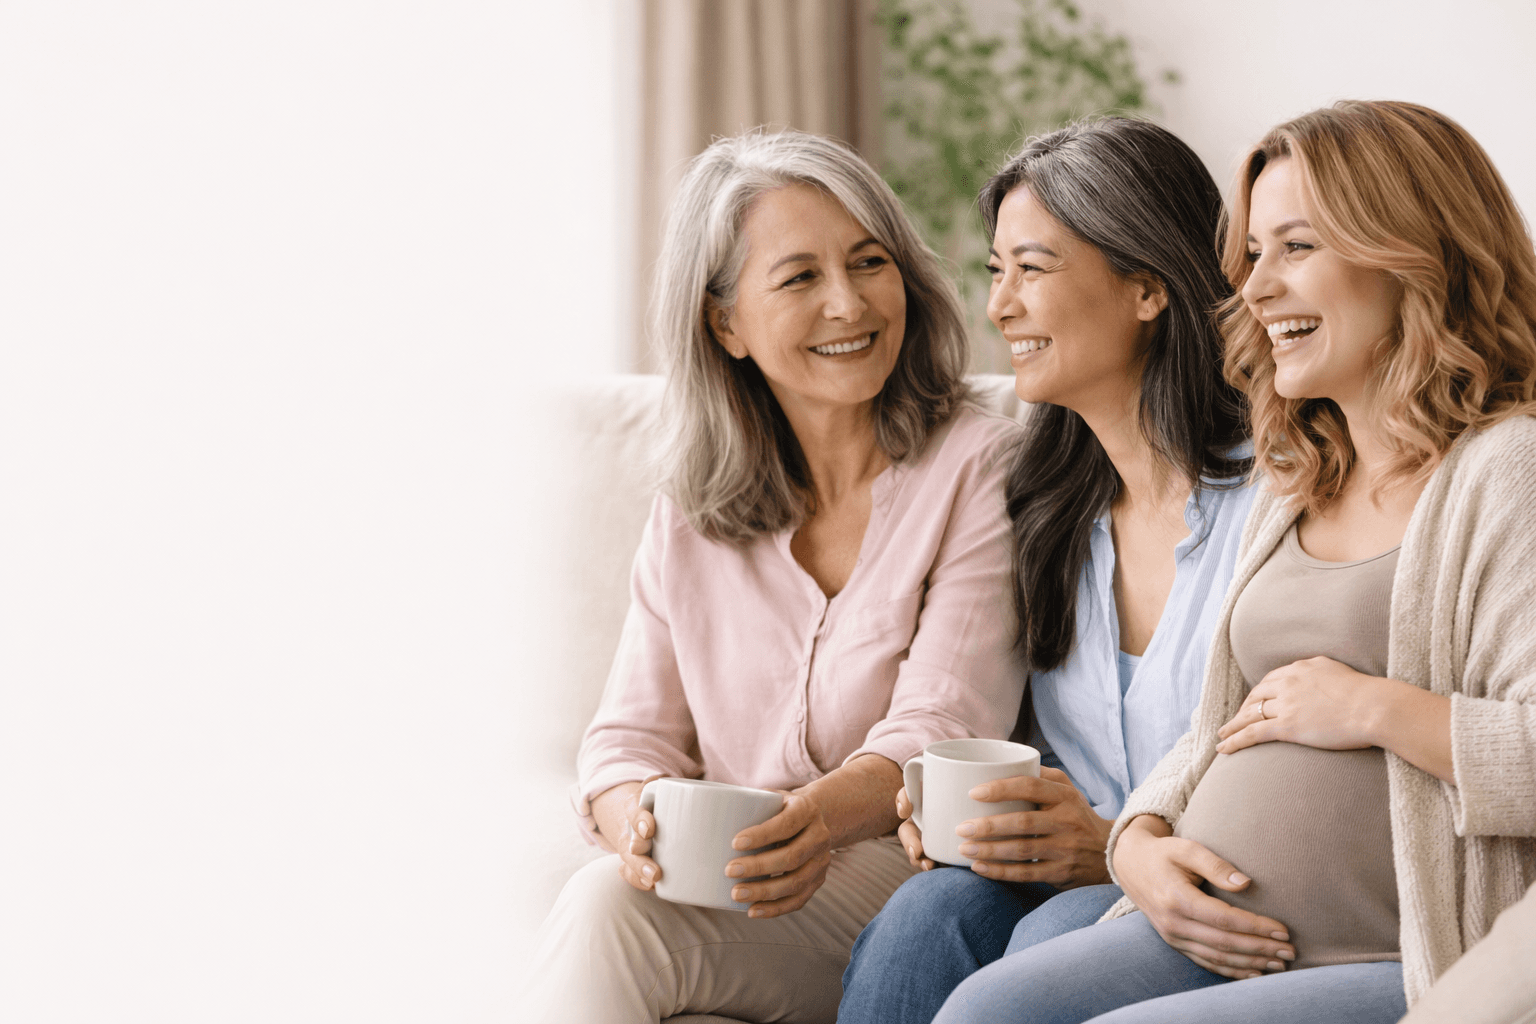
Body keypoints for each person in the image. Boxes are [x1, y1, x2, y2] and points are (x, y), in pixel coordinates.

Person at [932, 99, 1536, 1024]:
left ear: (1411, 253)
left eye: (1296, 249)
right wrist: (1135, 836)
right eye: (1253, 256)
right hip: (1215, 932)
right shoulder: (1303, 473)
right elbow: (1221, 720)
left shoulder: (1504, 470)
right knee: (983, 1011)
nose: (1253, 291)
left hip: (1406, 952)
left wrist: (1376, 708)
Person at [518, 129, 1028, 1023]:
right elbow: (624, 741)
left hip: (905, 881)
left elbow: (945, 721)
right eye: (799, 278)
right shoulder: (691, 510)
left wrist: (815, 822)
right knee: (612, 891)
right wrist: (636, 822)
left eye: (869, 262)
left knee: (608, 916)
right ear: (726, 324)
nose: (849, 303)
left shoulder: (981, 461)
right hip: (740, 884)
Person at [840, 117, 1256, 1024]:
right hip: (1077, 875)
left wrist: (1109, 844)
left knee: (1048, 941)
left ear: (1147, 286)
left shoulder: (1279, 499)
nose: (999, 306)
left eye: (1031, 268)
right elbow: (1024, 743)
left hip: (1226, 890)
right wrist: (962, 812)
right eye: (997, 272)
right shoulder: (1041, 508)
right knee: (925, 915)